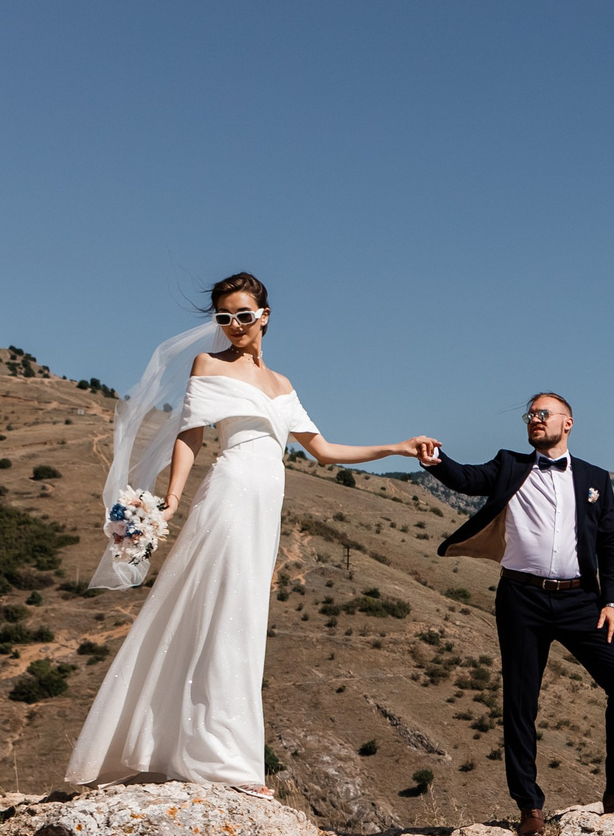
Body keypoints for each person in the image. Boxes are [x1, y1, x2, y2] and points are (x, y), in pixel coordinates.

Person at [67, 272, 437, 791]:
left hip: (267, 503)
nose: (234, 325)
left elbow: (325, 451)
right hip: (231, 492)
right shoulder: (208, 365)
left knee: (240, 617)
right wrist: (171, 499)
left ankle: (207, 751)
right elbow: (189, 436)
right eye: (224, 318)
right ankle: (222, 763)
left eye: (244, 315)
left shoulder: (283, 386)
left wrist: (396, 448)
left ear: (265, 316)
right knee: (221, 613)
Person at [426, 391, 614, 836]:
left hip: (581, 602)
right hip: (522, 599)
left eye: (543, 414)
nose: (534, 420)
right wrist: (434, 460)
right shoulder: (510, 465)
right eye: (529, 415)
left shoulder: (595, 478)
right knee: (521, 702)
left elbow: (609, 542)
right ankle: (529, 805)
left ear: (567, 423)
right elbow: (465, 478)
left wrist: (611, 603)